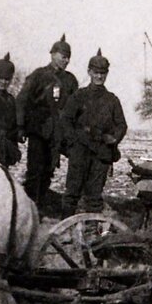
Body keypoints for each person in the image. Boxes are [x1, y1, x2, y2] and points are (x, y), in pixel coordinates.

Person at [61, 49, 127, 214]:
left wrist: (114, 139)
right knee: (72, 193)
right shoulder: (79, 96)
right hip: (80, 150)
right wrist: (73, 143)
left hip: (101, 153)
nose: (99, 77)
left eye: (103, 73)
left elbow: (121, 125)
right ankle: (64, 230)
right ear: (89, 72)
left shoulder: (112, 100)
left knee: (94, 195)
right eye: (96, 72)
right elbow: (66, 120)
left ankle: (93, 232)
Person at [16, 34, 77, 210]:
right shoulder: (39, 75)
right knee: (34, 172)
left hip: (57, 134)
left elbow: (75, 107)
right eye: (63, 56)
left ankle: (39, 206)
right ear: (52, 54)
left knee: (48, 172)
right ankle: (27, 210)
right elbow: (22, 100)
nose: (66, 60)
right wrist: (21, 126)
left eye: (68, 57)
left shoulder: (70, 80)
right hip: (39, 130)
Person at [0, 54, 22, 167]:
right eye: (0, 78)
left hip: (4, 151)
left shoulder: (10, 100)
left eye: (7, 79)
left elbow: (13, 129)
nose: (4, 82)